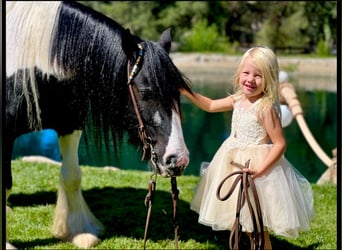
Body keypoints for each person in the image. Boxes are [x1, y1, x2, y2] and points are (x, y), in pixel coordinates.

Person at [180, 46, 314, 249]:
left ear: (269, 79)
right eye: (246, 73)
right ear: (239, 74)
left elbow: (280, 144)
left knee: (258, 223)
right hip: (232, 164)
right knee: (244, 223)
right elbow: (210, 105)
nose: (250, 79)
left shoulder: (265, 107)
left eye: (258, 75)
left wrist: (260, 171)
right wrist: (184, 90)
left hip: (257, 169)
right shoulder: (237, 100)